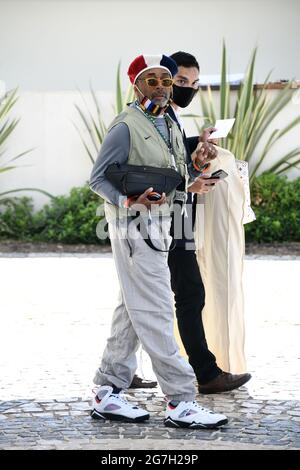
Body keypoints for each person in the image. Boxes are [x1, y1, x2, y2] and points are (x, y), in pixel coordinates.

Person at [89, 53, 228, 428]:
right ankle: (180, 400)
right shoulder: (126, 126)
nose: (164, 88)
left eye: (167, 81)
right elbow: (98, 178)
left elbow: (172, 175)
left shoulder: (166, 120)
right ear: (136, 85)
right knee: (156, 310)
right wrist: (127, 199)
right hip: (134, 229)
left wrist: (197, 163)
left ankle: (107, 391)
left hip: (160, 226)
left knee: (132, 310)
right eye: (154, 81)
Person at [167, 51, 251, 394]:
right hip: (167, 219)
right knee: (190, 294)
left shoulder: (171, 117)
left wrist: (198, 149)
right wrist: (190, 179)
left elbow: (175, 159)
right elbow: (157, 167)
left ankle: (119, 371)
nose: (188, 89)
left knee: (138, 304)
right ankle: (204, 372)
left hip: (180, 216)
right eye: (181, 82)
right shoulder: (156, 117)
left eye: (194, 84)